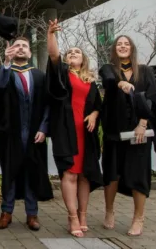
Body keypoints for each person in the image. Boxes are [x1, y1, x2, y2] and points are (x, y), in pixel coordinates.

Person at [46, 20, 103, 237]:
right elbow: (53, 55)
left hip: (85, 133)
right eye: (69, 52)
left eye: (77, 52)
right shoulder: (61, 73)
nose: (72, 54)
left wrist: (94, 114)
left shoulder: (91, 81)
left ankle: (83, 214)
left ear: (83, 59)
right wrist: (51, 34)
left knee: (85, 175)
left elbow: (98, 106)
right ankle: (72, 217)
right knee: (69, 173)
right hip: (65, 130)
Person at [100, 35, 156, 237]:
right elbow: (108, 80)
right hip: (114, 131)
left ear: (132, 48)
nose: (123, 46)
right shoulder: (109, 68)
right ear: (114, 49)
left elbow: (152, 99)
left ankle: (138, 218)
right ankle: (109, 211)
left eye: (126, 44)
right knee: (112, 172)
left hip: (139, 132)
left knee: (138, 174)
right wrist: (121, 84)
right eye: (119, 44)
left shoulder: (144, 71)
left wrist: (143, 124)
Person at [0, 37, 53, 231]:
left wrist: (44, 128)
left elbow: (47, 105)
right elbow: (1, 86)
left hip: (34, 133)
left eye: (24, 46)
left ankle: (32, 213)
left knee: (32, 172)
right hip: (11, 133)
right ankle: (6, 212)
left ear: (30, 52)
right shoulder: (4, 72)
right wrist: (6, 62)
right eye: (17, 45)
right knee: (10, 172)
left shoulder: (40, 76)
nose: (20, 48)